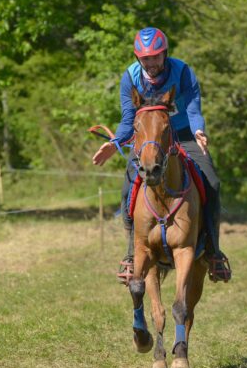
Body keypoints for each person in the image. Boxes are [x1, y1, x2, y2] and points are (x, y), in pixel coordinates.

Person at [92, 27, 231, 284]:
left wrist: (199, 130)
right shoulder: (130, 77)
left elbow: (193, 109)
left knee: (212, 182)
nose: (152, 63)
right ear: (138, 58)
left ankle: (213, 251)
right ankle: (132, 253)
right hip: (148, 140)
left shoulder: (183, 72)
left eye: (156, 56)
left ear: (164, 53)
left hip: (184, 135)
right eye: (146, 58)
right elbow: (127, 120)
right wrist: (115, 142)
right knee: (127, 189)